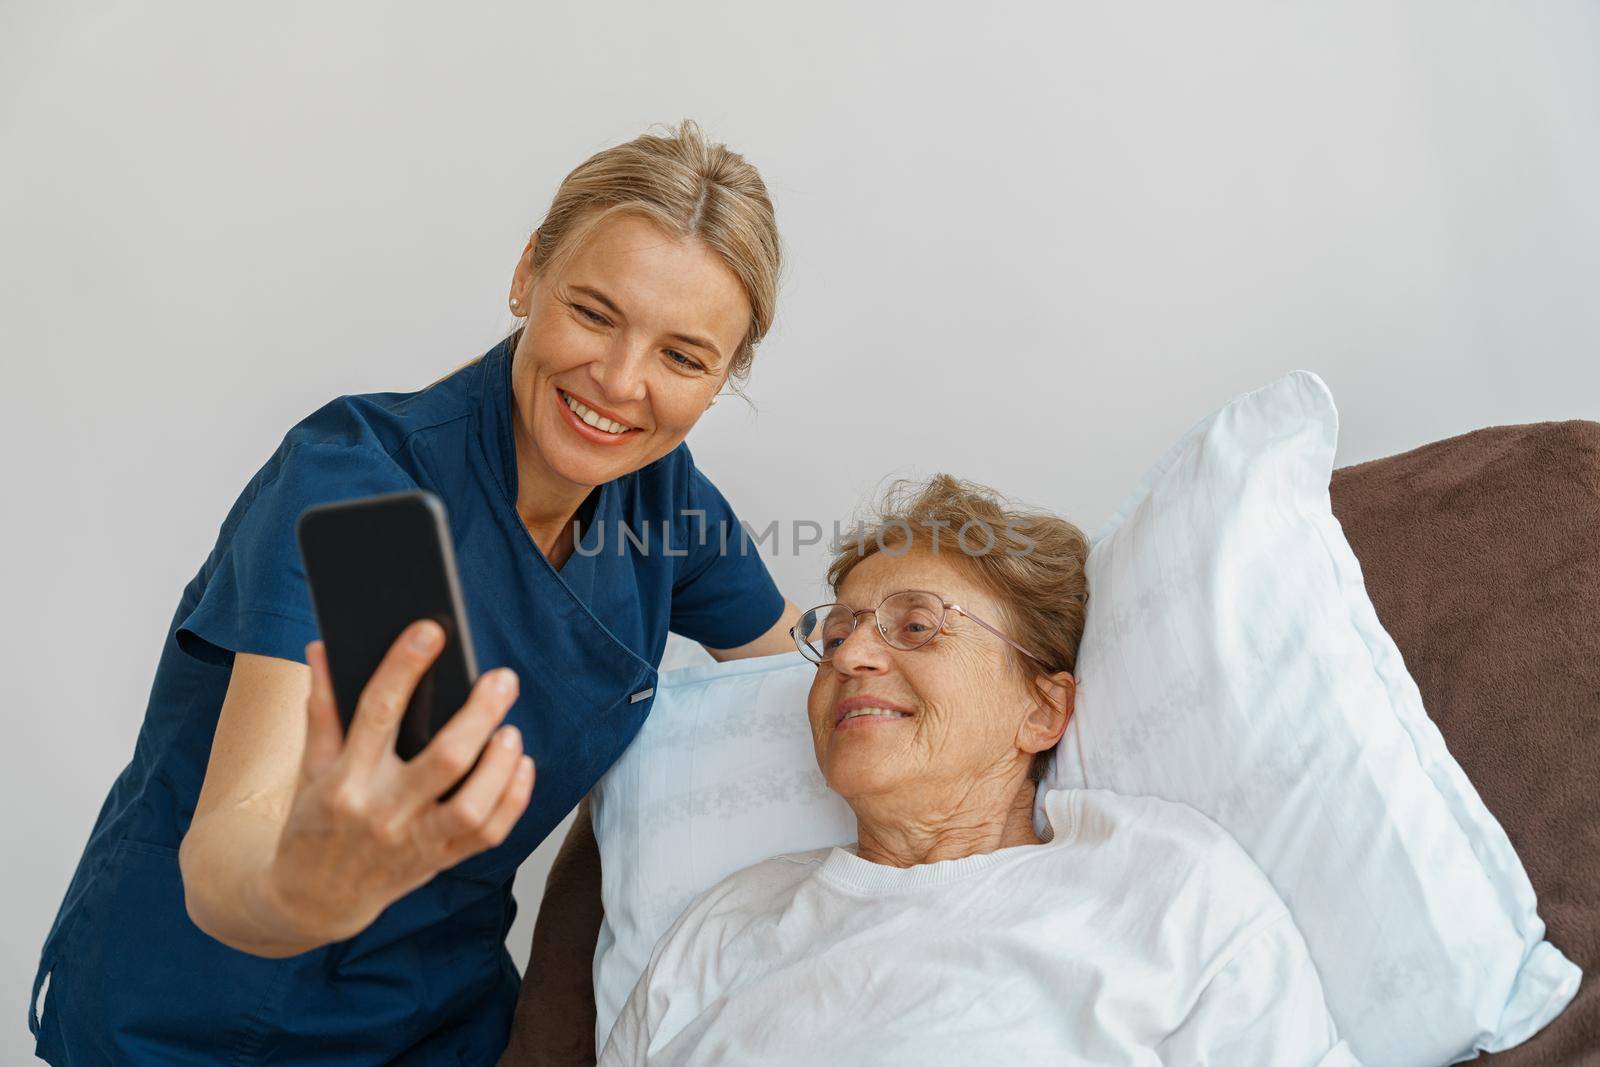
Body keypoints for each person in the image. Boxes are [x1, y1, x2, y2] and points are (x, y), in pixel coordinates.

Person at [29, 120, 801, 1065]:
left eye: (684, 356)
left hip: (438, 1017)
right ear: (528, 275)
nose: (621, 380)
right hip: (212, 1019)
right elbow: (231, 842)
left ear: (723, 378)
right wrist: (303, 894)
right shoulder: (372, 492)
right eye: (594, 313)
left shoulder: (662, 503)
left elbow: (797, 682)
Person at [598, 476, 1359, 1066]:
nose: (852, 655)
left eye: (917, 625)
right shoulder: (727, 927)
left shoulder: (1162, 890)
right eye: (837, 631)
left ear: (1041, 709)